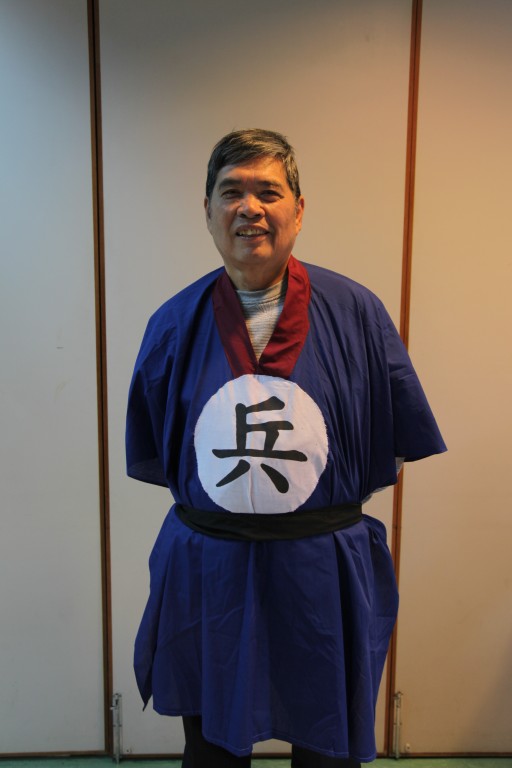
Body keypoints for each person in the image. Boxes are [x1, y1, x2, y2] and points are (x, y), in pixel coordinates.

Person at [126, 129, 446, 767]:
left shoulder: (356, 312)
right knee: (212, 748)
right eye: (231, 192)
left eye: (268, 192)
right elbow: (160, 449)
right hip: (212, 567)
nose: (250, 208)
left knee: (326, 744)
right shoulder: (174, 322)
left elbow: (393, 442)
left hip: (319, 564)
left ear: (298, 210)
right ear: (208, 211)